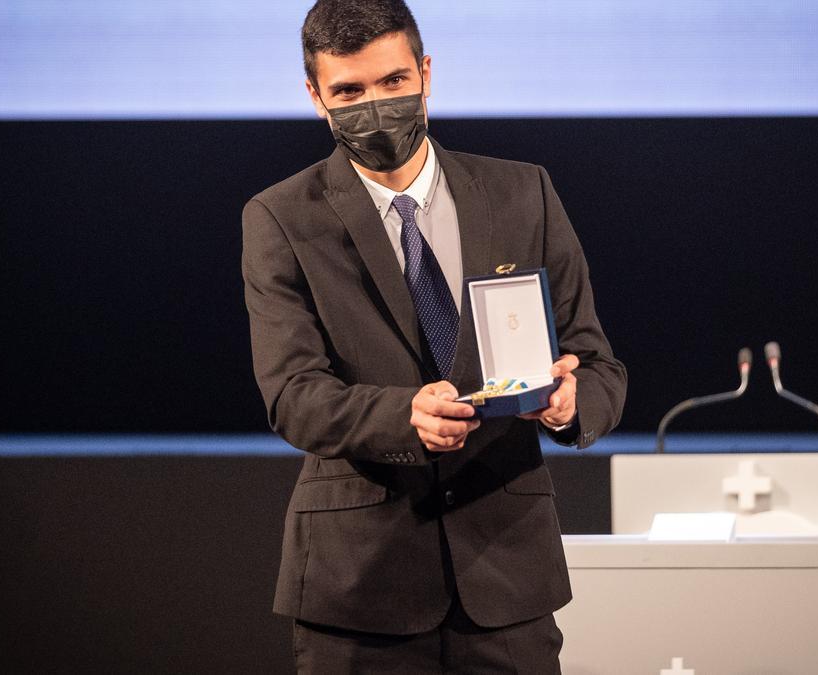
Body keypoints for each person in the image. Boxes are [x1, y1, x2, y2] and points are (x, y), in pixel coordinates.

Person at [242, 1, 627, 671]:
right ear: (315, 97)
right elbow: (293, 395)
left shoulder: (523, 193)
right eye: (349, 92)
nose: (376, 106)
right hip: (360, 589)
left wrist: (571, 405)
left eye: (393, 82)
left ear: (425, 72)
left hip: (509, 579)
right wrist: (404, 415)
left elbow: (596, 365)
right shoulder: (279, 217)